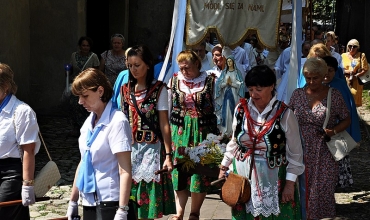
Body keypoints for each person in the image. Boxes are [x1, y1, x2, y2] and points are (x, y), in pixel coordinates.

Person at [219, 65, 304, 219]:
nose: (253, 94)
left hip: (273, 175)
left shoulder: (285, 114)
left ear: (271, 86)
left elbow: (296, 153)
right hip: (243, 173)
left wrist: (290, 184)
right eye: (250, 89)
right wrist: (224, 165)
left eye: (258, 89)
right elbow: (234, 140)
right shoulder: (241, 109)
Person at [67, 68, 132, 220]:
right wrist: (73, 201)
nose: (80, 101)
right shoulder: (88, 122)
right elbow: (84, 162)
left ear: (100, 91)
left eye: (85, 96)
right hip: (89, 200)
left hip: (110, 201)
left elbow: (125, 170)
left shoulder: (117, 121)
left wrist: (122, 210)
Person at [290, 58, 351, 219]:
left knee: (322, 189)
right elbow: (287, 117)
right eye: (308, 77)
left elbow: (347, 118)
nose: (311, 81)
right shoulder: (297, 94)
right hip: (299, 148)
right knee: (299, 187)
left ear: (324, 75)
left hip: (323, 149)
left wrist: (333, 131)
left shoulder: (334, 95)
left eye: (315, 78)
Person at [120, 45, 176, 219]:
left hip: (151, 149)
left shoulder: (159, 90)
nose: (133, 69)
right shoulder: (125, 90)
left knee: (147, 201)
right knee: (129, 195)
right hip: (130, 149)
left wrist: (168, 155)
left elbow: (164, 124)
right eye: (130, 65)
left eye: (137, 65)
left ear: (148, 65)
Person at [169, 50, 218, 220]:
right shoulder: (175, 80)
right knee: (179, 171)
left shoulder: (211, 81)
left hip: (202, 132)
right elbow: (169, 108)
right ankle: (179, 211)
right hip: (180, 132)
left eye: (187, 68)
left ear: (197, 64)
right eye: (181, 68)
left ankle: (195, 212)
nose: (184, 71)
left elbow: (218, 105)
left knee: (199, 173)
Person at [0, 64, 40, 220]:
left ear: (5, 87)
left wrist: (27, 184)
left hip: (11, 173)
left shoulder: (21, 111)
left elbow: (28, 151)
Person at [322, 56, 360, 188]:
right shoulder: (312, 85)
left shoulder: (340, 86)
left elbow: (350, 112)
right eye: (324, 70)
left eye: (330, 70)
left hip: (337, 132)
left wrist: (354, 135)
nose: (327, 73)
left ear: (335, 70)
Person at [68, 36, 100, 137]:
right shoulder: (74, 56)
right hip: (76, 84)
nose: (85, 47)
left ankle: (87, 127)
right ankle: (76, 127)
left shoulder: (93, 56)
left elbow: (96, 71)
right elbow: (71, 69)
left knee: (86, 105)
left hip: (88, 85)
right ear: (79, 46)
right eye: (83, 45)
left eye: (87, 46)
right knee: (74, 104)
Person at [214, 56, 245, 137]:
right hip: (225, 95)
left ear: (233, 62)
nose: (229, 63)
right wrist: (226, 83)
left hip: (235, 96)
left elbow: (241, 85)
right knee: (226, 112)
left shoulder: (237, 73)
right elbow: (218, 85)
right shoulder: (224, 73)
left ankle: (233, 131)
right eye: (228, 62)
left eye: (230, 61)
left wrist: (232, 84)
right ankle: (225, 131)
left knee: (233, 111)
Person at [341, 39, 369, 107]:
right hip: (345, 80)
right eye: (350, 46)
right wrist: (347, 71)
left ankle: (353, 116)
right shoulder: (343, 55)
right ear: (347, 46)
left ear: (358, 47)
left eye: (354, 46)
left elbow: (365, 69)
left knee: (354, 102)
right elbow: (339, 68)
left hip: (356, 81)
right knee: (344, 101)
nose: (352, 48)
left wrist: (356, 76)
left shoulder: (361, 55)